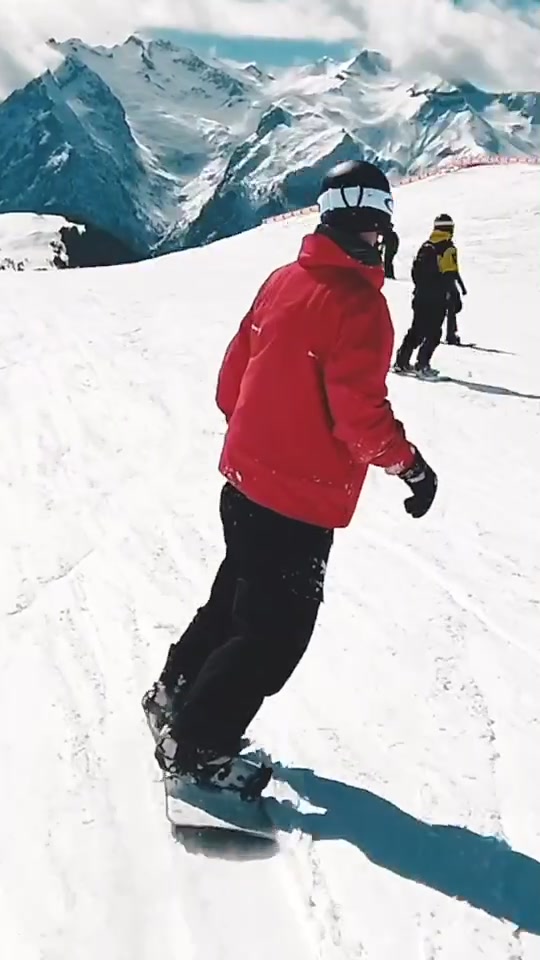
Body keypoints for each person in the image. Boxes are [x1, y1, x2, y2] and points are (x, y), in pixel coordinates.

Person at [142, 159, 438, 796]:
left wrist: (261, 434)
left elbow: (232, 380)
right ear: (379, 226)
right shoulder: (360, 306)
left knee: (234, 602)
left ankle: (174, 694)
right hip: (297, 504)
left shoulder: (283, 281)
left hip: (244, 486)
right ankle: (197, 749)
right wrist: (410, 466)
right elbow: (360, 420)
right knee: (272, 634)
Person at [393, 213, 464, 377]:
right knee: (434, 333)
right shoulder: (447, 248)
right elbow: (449, 275)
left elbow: (416, 274)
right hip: (437, 298)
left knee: (417, 330)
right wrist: (454, 296)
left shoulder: (426, 246)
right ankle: (422, 365)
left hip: (420, 296)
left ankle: (401, 361)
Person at [445, 270, 467, 345]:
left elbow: (456, 274)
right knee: (451, 311)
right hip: (448, 288)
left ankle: (451, 334)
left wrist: (463, 288)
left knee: (453, 310)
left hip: (450, 288)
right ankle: (450, 335)